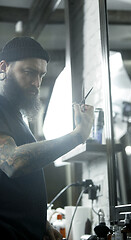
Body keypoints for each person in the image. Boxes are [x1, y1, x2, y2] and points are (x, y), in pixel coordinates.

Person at [0, 37, 94, 240]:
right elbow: (12, 163)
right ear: (4, 67)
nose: (36, 82)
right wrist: (77, 135)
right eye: (28, 72)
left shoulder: (15, 116)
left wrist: (39, 222)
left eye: (41, 75)